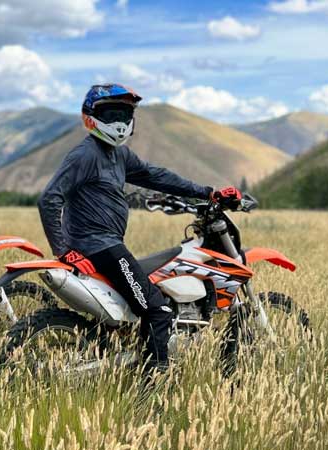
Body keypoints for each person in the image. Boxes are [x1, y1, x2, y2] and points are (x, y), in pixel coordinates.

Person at [37, 83, 241, 373]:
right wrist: (63, 251)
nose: (119, 121)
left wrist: (207, 192)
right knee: (158, 311)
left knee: (147, 296)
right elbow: (49, 199)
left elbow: (156, 176)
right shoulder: (85, 155)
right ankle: (151, 385)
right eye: (110, 113)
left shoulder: (118, 155)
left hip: (105, 245)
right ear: (90, 117)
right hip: (99, 247)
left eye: (124, 113)